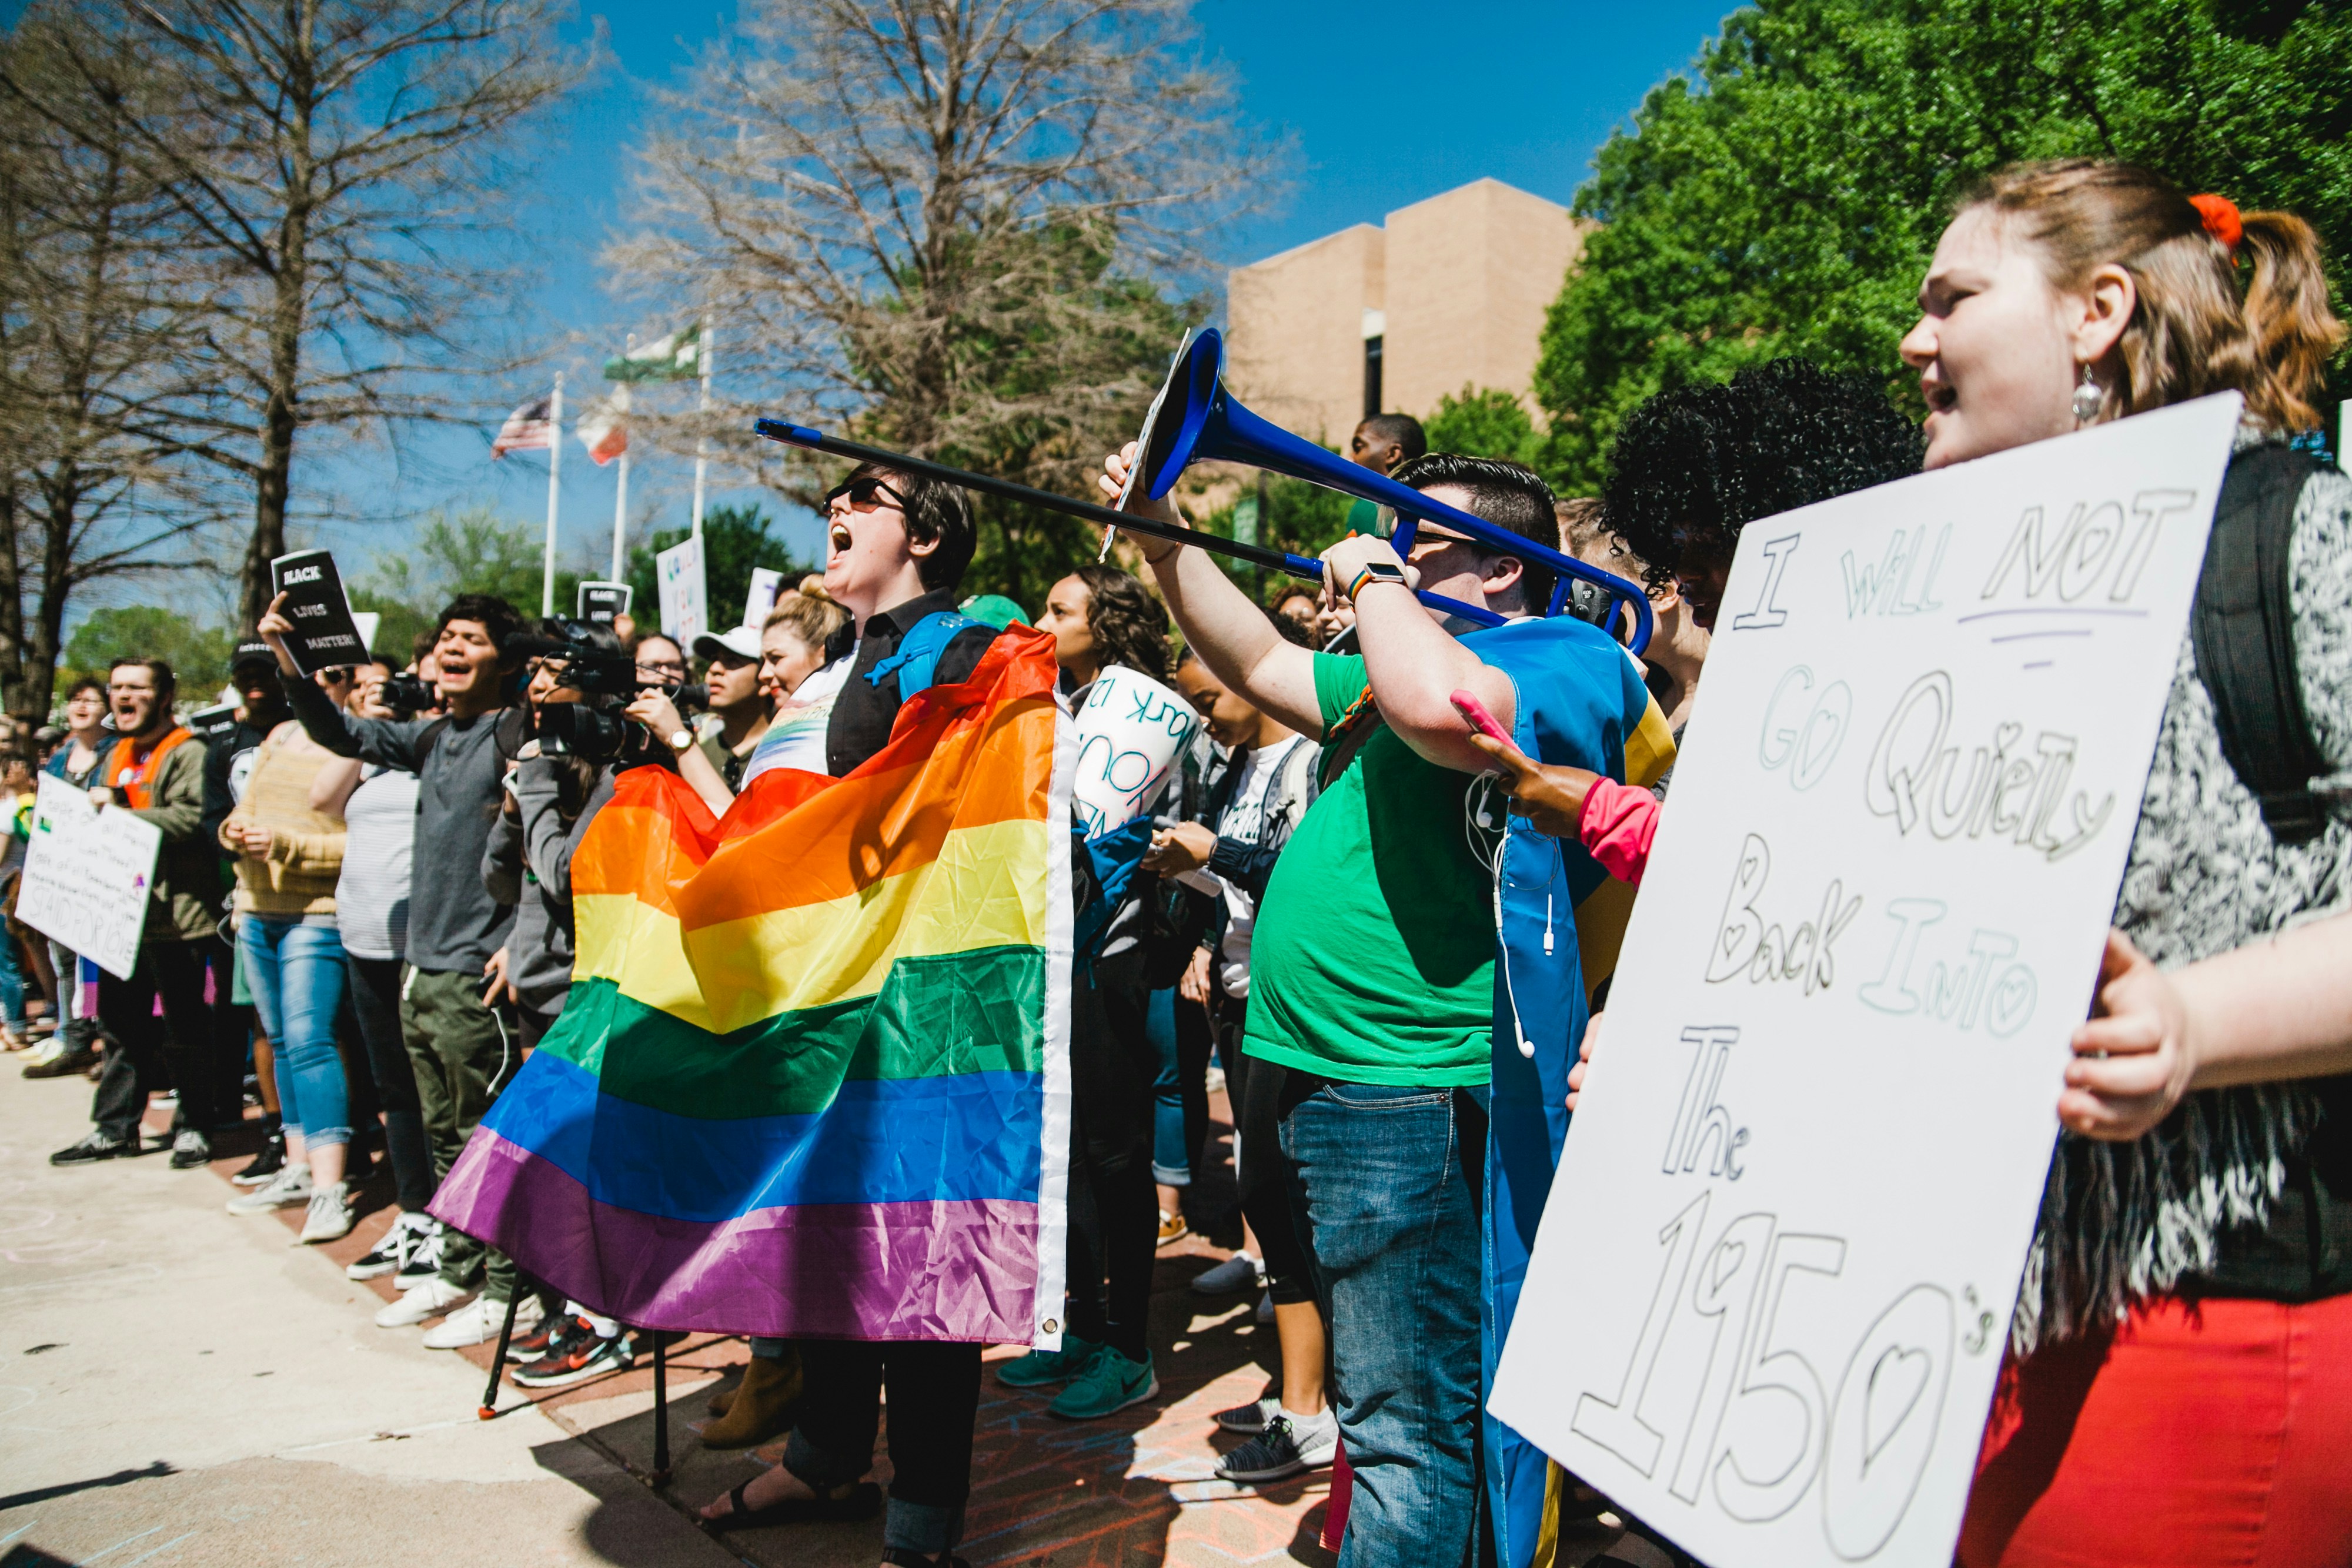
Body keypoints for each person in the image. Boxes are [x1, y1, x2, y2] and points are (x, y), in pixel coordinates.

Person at [1865, 161, 2352, 1567]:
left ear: (2095, 312)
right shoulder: (1957, 591)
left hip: (2212, 1333)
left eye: (1949, 299)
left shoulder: (2293, 534)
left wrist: (2196, 1024)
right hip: (1983, 1327)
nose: (1913, 339)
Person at [1104, 442, 1663, 1566]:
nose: (1398, 549)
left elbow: (1451, 711)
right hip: (1325, 1072)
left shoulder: (1563, 651)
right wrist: (1163, 534)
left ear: (1504, 566)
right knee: (1386, 1413)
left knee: (1411, 1431)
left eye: (1422, 536)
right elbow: (1261, 658)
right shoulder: (1403, 652)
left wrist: (1369, 579)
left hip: (1403, 1088)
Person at [697, 460, 998, 1568]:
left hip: (918, 1018)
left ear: (924, 533)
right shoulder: (835, 664)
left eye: (865, 500)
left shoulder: (963, 646)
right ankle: (826, 1458)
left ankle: (922, 1531)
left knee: (921, 1266)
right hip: (821, 1009)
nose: (837, 510)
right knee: (823, 1244)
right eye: (835, 499)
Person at [1475, 364, 1926, 887]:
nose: (1685, 576)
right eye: (1673, 553)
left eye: (1711, 550)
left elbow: (1782, 860)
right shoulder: (1731, 685)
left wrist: (1598, 814)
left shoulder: (1867, 683)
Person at [258, 591, 530, 1338]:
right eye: (445, 636)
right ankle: (457, 1270)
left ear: (504, 661)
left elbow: (543, 843)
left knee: (487, 1137)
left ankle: (510, 1293)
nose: (450, 648)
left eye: (470, 639)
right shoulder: (433, 736)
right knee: (443, 1132)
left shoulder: (516, 732)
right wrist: (292, 662)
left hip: (480, 974)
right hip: (423, 965)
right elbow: (338, 729)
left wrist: (518, 938)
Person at [1000, 562, 1192, 1420]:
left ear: (1106, 623)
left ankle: (1130, 1347)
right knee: (1067, 1156)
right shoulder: (1065, 705)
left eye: (1059, 606)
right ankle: (1076, 1326)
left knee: (1116, 1157)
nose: (1046, 617)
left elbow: (1107, 845)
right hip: (1056, 963)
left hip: (1113, 961)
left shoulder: (1139, 709)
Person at [1146, 646, 1335, 1483]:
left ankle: (1311, 1411)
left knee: (1290, 1205)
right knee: (1268, 1196)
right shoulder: (1232, 768)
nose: (1203, 715)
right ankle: (1301, 1396)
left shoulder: (1311, 762)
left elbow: (1298, 878)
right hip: (1235, 993)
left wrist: (1211, 851)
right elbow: (1229, 884)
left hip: (1289, 1005)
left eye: (1207, 696)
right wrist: (1197, 925)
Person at [51, 660, 218, 1167]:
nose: (123, 697)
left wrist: (123, 811)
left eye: (136, 688)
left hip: (179, 918)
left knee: (185, 1030)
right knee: (119, 1028)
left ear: (165, 696)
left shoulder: (189, 751)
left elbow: (194, 818)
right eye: (117, 688)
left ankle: (195, 1127)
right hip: (119, 917)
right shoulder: (112, 753)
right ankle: (114, 1128)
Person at [215, 675, 356, 1242]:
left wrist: (285, 847)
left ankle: (330, 1189)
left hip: (316, 913)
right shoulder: (277, 736)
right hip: (257, 909)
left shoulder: (357, 741)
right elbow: (242, 808)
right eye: (306, 672)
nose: (318, 681)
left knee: (310, 1040)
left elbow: (362, 841)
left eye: (333, 673)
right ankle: (298, 1165)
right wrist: (235, 831)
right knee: (279, 1041)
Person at [315, 658, 440, 1289]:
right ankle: (414, 1212)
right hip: (361, 942)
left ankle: (446, 1224)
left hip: (421, 950)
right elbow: (322, 799)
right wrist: (365, 721)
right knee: (394, 1092)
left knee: (434, 1094)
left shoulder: (439, 745)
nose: (396, 695)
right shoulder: (371, 755)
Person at [22, 678, 108, 1080]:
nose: (81, 705)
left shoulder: (115, 751)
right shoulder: (59, 759)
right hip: (63, 875)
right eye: (75, 699)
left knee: (104, 967)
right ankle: (73, 1041)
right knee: (65, 962)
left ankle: (110, 1046)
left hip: (104, 878)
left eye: (90, 699)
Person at [736, 590, 853, 787]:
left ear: (823, 656)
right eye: (763, 661)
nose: (763, 675)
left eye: (776, 659)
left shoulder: (847, 731)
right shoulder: (781, 729)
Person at [688, 626, 774, 793]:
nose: (715, 669)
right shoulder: (697, 754)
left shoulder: (784, 752)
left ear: (765, 678)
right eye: (714, 659)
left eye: (732, 660)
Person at [1339, 412, 1428, 538]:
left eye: (1358, 447)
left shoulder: (1365, 508)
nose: (1351, 458)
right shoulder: (1430, 503)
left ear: (1392, 455)